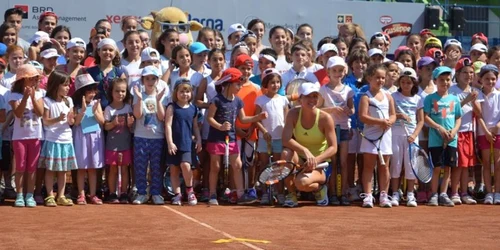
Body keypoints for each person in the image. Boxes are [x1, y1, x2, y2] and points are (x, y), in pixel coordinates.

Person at [205, 68, 267, 206]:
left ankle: (240, 194)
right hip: (216, 138)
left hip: (231, 138)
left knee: (237, 164)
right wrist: (220, 126)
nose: (240, 87)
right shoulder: (216, 100)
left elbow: (243, 119)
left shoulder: (238, 101)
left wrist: (257, 117)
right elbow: (209, 118)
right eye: (238, 84)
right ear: (228, 84)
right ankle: (212, 194)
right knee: (215, 166)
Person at [281, 82, 337, 208]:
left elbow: (333, 147)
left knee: (302, 183)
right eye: (308, 96)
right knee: (285, 153)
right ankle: (292, 195)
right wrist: (305, 150)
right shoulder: (293, 114)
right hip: (300, 159)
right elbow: (285, 139)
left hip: (321, 162)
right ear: (300, 98)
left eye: (315, 96)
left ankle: (319, 189)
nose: (312, 100)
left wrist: (315, 160)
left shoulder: (325, 118)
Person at [358, 64, 396, 208]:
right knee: (368, 166)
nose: (380, 80)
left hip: (385, 135)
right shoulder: (365, 97)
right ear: (369, 78)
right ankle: (368, 196)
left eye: (382, 78)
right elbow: (363, 117)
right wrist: (380, 122)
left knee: (384, 166)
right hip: (370, 135)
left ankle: (383, 195)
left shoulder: (388, 96)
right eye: (377, 77)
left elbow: (392, 115)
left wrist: (390, 122)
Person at [317, 56, 354, 206]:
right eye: (334, 70)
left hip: (344, 128)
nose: (337, 73)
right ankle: (332, 192)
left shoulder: (349, 90)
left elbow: (352, 110)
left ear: (344, 72)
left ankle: (343, 192)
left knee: (343, 162)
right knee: (332, 162)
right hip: (329, 130)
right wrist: (331, 109)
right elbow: (318, 109)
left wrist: (348, 110)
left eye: (340, 70)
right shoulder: (323, 90)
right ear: (328, 72)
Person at [423, 66, 462, 207]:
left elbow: (458, 118)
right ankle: (434, 194)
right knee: (437, 167)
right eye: (441, 80)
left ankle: (444, 194)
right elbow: (425, 117)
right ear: (435, 81)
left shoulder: (455, 99)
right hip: (435, 140)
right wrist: (438, 127)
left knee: (448, 168)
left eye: (448, 80)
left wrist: (454, 131)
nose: (445, 82)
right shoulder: (429, 98)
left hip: (451, 140)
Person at [39, 71, 78, 207]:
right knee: (50, 170)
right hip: (52, 139)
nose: (68, 88)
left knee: (63, 171)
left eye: (68, 85)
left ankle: (60, 195)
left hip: (66, 139)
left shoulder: (69, 101)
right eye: (65, 85)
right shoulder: (47, 101)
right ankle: (50, 195)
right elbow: (46, 121)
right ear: (56, 85)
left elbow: (72, 122)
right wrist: (58, 119)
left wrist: (73, 118)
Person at [8, 64, 44, 207]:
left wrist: (33, 98)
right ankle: (19, 195)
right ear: (23, 80)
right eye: (32, 79)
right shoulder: (14, 95)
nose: (35, 82)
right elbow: (18, 113)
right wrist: (25, 98)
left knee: (32, 167)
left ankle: (30, 195)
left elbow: (40, 113)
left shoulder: (40, 94)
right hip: (19, 138)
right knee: (21, 167)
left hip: (35, 136)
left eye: (36, 79)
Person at [448, 58, 482, 205]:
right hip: (456, 132)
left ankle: (464, 192)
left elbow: (479, 113)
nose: (468, 75)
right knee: (457, 165)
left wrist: (473, 101)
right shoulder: (451, 90)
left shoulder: (475, 91)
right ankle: (454, 192)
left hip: (469, 132)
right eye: (465, 72)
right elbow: (448, 112)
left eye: (471, 73)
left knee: (466, 165)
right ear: (458, 73)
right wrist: (466, 100)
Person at [132, 66, 166, 205]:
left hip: (157, 137)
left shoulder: (162, 96)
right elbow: (138, 115)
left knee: (156, 167)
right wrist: (140, 99)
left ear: (157, 80)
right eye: (147, 78)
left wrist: (158, 101)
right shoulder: (138, 95)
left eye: (153, 78)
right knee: (141, 166)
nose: (150, 81)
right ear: (143, 80)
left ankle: (156, 193)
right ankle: (141, 193)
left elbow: (161, 117)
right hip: (140, 136)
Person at [390, 68, 424, 207]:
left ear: (414, 84)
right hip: (395, 134)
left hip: (411, 136)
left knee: (411, 165)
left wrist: (414, 135)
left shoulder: (418, 99)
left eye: (409, 82)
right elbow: (390, 114)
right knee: (396, 165)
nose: (405, 85)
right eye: (403, 82)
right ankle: (395, 193)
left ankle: (410, 193)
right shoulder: (392, 96)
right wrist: (399, 116)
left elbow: (421, 120)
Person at [165, 78, 202, 206]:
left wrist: (199, 140)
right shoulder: (172, 107)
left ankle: (190, 190)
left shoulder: (193, 109)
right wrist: (170, 142)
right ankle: (177, 194)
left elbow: (195, 126)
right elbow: (168, 125)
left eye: (187, 91)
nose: (184, 94)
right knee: (174, 169)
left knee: (186, 165)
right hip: (174, 144)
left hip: (187, 143)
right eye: (181, 91)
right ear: (176, 92)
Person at [195, 48, 225, 202]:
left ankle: (223, 188)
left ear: (224, 61)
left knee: (223, 158)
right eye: (214, 60)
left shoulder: (228, 78)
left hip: (226, 122)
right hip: (210, 122)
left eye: (220, 59)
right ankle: (206, 188)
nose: (218, 62)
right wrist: (212, 106)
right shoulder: (206, 80)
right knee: (208, 157)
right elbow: (197, 100)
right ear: (209, 62)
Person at [255, 68, 289, 205]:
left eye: (277, 82)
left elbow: (287, 120)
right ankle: (265, 193)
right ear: (266, 84)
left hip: (279, 139)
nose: (275, 85)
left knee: (277, 167)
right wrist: (264, 132)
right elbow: (256, 119)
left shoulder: (283, 100)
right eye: (272, 82)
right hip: (265, 139)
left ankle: (280, 193)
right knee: (264, 166)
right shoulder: (260, 100)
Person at [71, 74, 105, 205]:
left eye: (93, 91)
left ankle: (93, 194)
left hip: (94, 137)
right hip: (81, 138)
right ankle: (81, 194)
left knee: (92, 168)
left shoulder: (97, 104)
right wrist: (83, 110)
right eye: (89, 91)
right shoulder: (76, 105)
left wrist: (95, 111)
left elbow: (102, 122)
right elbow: (76, 123)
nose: (92, 94)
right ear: (81, 93)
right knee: (81, 167)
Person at [104, 78, 134, 204]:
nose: (120, 94)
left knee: (125, 168)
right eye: (117, 91)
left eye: (123, 91)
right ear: (112, 92)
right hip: (112, 145)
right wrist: (113, 123)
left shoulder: (128, 108)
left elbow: (131, 127)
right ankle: (112, 193)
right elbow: (105, 126)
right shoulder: (108, 109)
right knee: (113, 169)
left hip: (125, 144)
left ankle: (123, 193)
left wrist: (130, 124)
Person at [476, 64, 500, 204]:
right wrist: (485, 131)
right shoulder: (478, 95)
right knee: (485, 163)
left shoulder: (499, 95)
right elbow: (478, 115)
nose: (490, 81)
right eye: (487, 78)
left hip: (498, 133)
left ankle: (497, 192)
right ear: (481, 79)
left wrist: (497, 127)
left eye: (493, 79)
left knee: (497, 164)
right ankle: (489, 193)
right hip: (482, 132)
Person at [86, 38, 126, 109]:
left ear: (115, 53)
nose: (107, 52)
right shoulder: (90, 72)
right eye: (104, 50)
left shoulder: (120, 73)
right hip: (94, 110)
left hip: (113, 111)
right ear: (98, 52)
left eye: (111, 50)